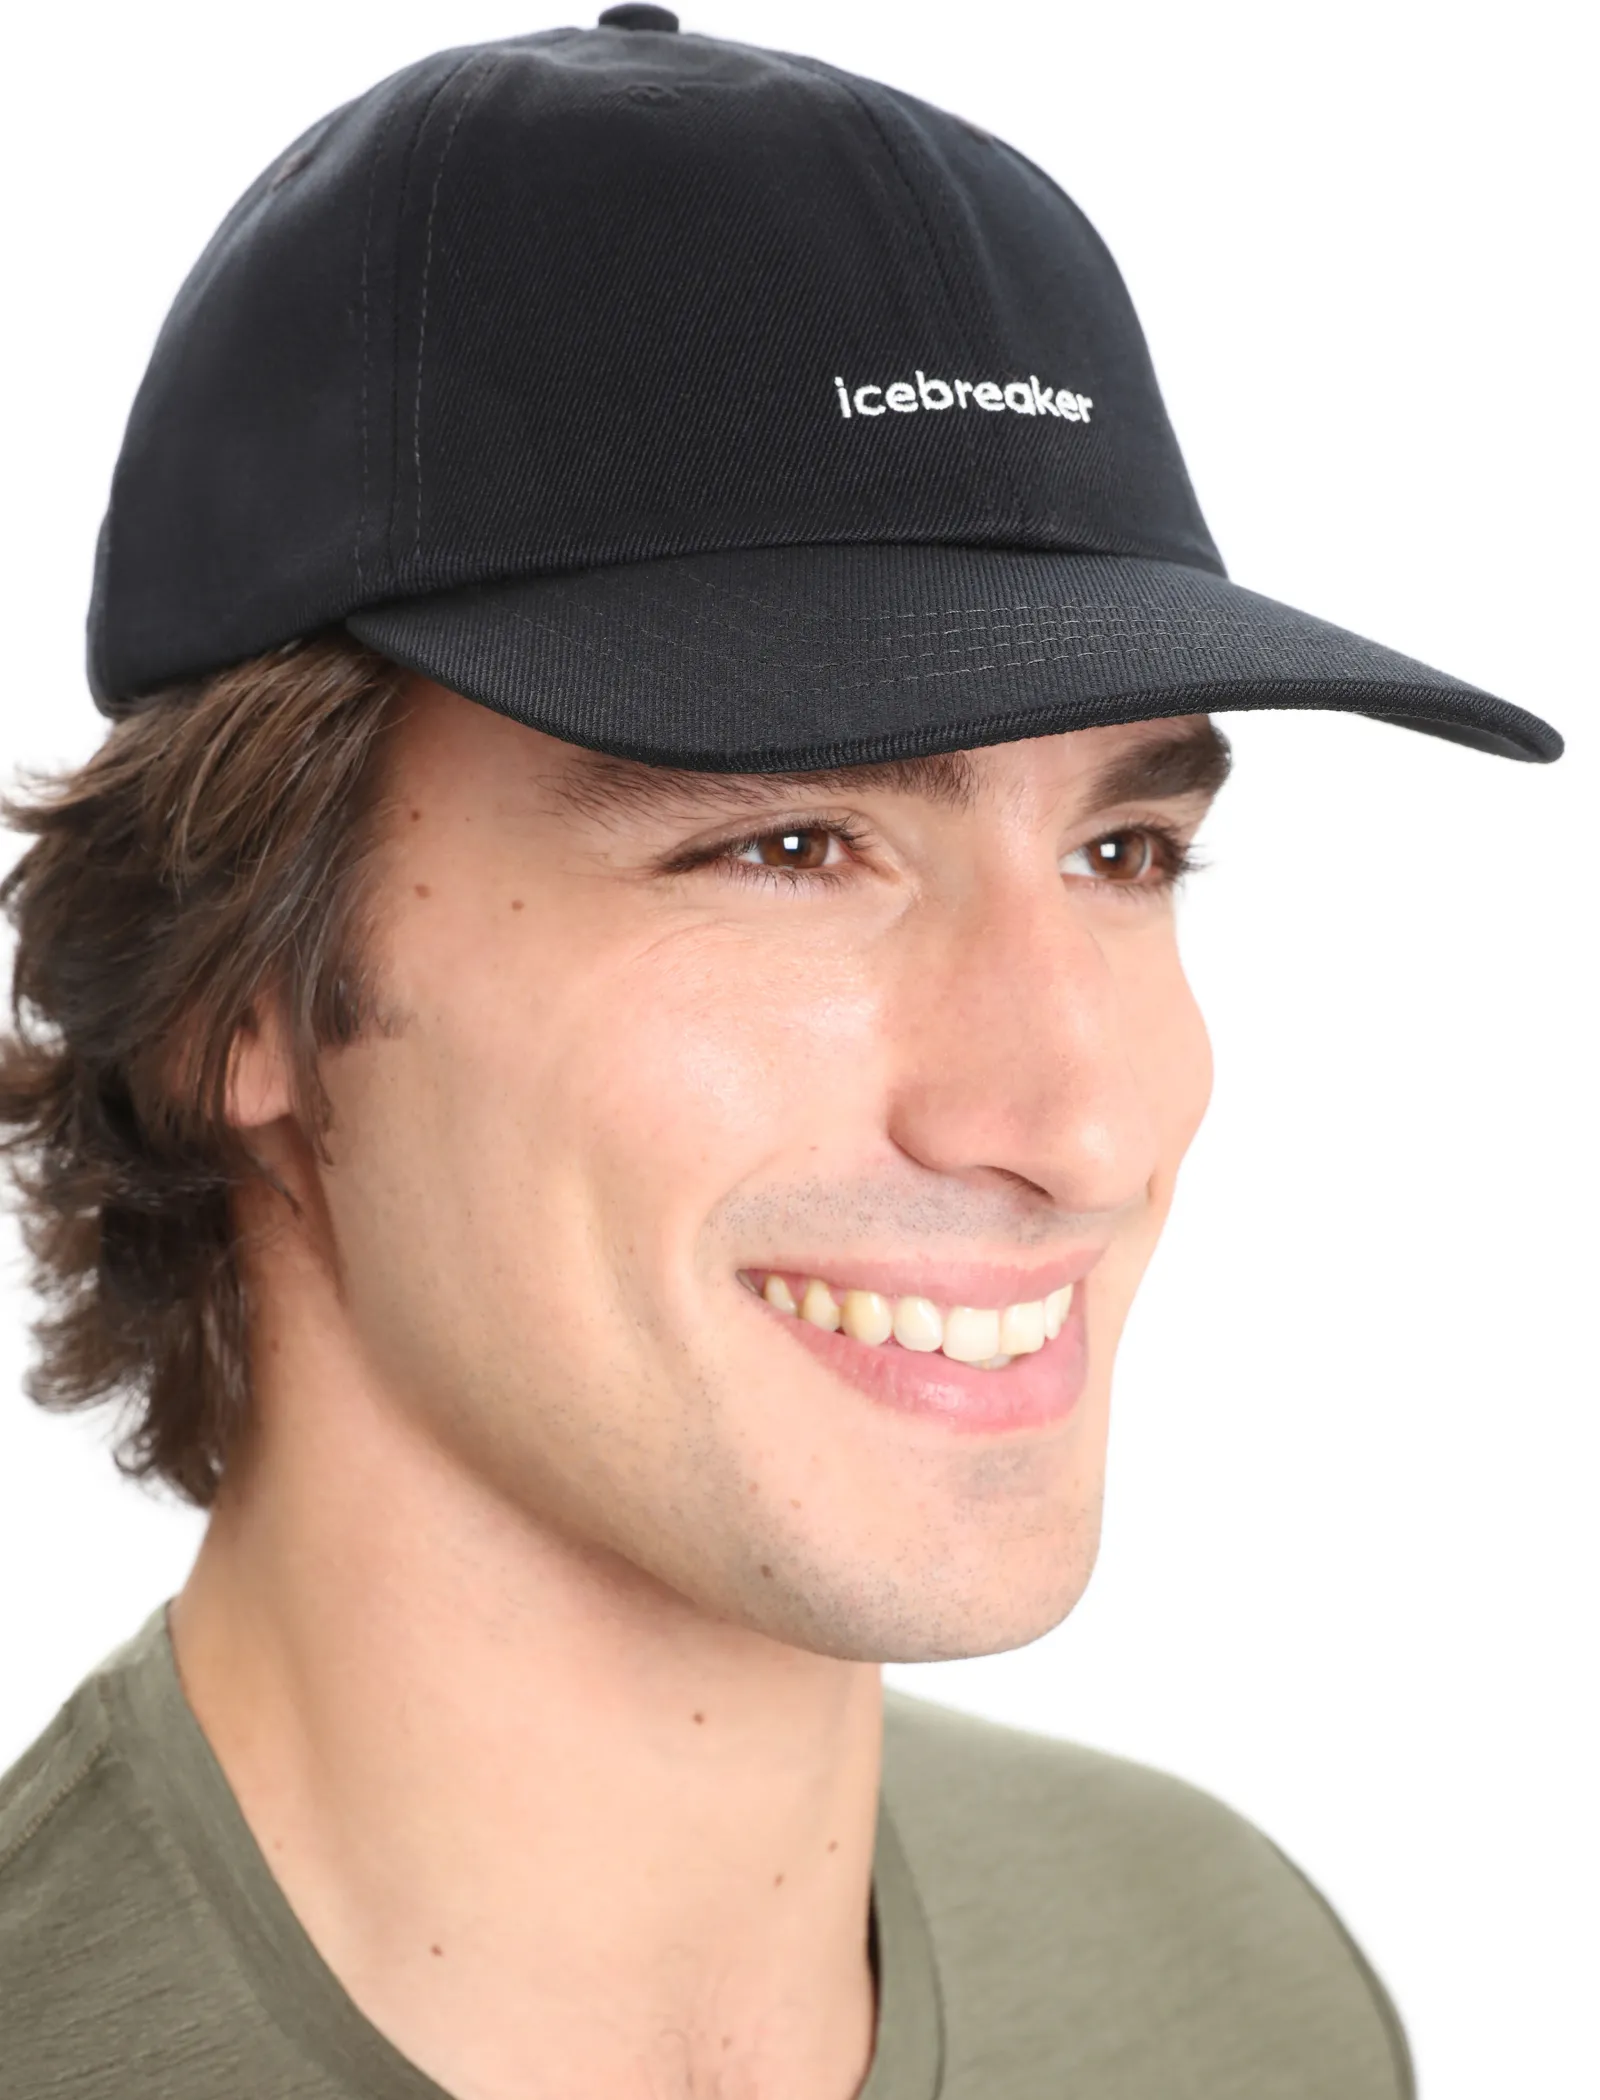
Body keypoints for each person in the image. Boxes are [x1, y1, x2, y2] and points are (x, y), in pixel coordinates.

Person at [0, 11, 1563, 2099]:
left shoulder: (1235, 1990)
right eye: (789, 846)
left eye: (1122, 851)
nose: (1078, 1122)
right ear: (238, 994)